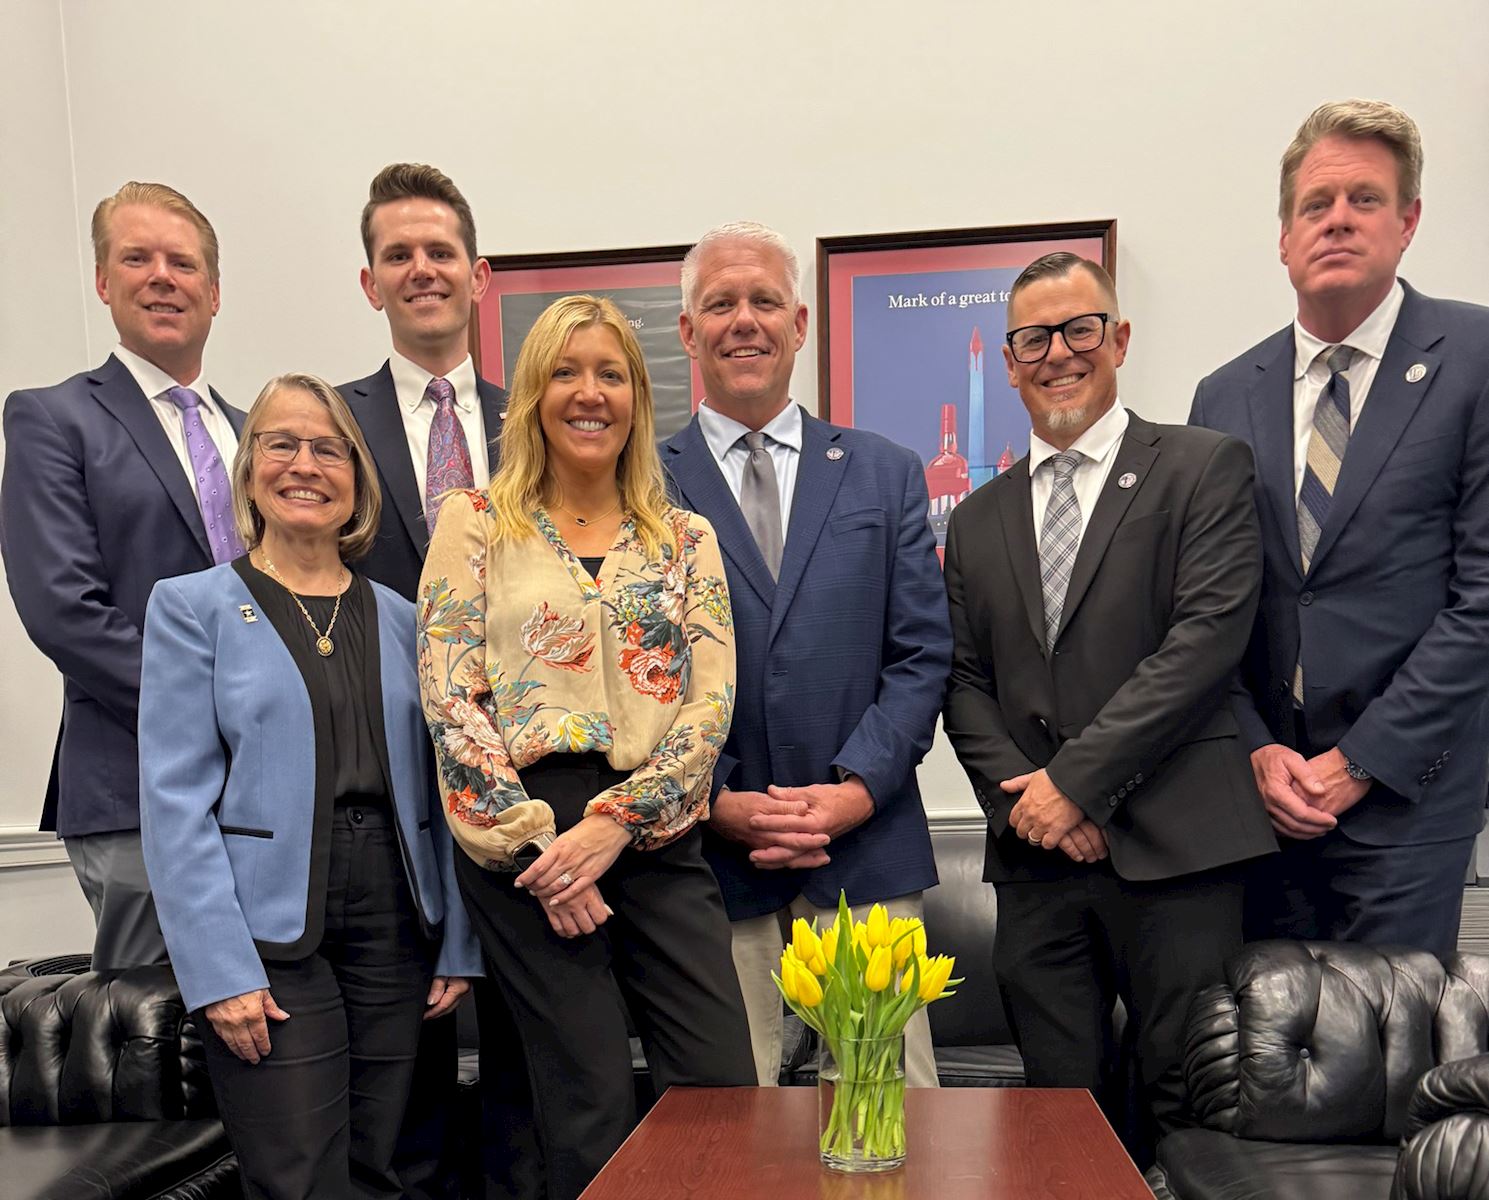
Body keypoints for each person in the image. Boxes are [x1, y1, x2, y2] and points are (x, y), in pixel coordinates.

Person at [418, 294, 754, 1200]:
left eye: (610, 374)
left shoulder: (684, 539)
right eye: (565, 372)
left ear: (638, 397)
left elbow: (709, 704)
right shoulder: (475, 522)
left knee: (721, 1088)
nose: (589, 392)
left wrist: (617, 823)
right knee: (588, 1105)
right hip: (526, 845)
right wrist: (538, 852)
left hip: (656, 830)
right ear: (533, 393)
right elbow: (452, 702)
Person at [943, 253, 1274, 1163]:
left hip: (1179, 853)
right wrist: (1032, 805)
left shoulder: (1201, 466)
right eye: (1033, 338)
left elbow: (1202, 646)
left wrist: (1076, 786)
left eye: (1079, 328)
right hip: (1038, 865)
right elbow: (962, 682)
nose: (1057, 352)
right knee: (1058, 1119)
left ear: (1118, 339)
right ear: (1008, 362)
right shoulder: (974, 518)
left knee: (1189, 1109)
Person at [138, 373, 481, 1200]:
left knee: (393, 1167)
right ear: (249, 467)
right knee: (297, 1175)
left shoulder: (407, 618)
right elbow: (175, 806)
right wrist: (219, 970)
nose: (305, 465)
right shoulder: (191, 609)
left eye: (329, 450)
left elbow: (451, 786)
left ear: (356, 478)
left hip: (401, 922)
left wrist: (459, 942)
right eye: (281, 444)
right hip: (266, 931)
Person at [1190, 99, 1489, 961]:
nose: (1337, 220)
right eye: (1314, 205)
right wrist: (1253, 750)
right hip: (1259, 805)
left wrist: (1358, 761)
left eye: (1364, 199)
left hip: (1407, 800)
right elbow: (1206, 607)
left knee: (1392, 1041)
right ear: (1284, 237)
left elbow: (1479, 603)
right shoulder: (1223, 395)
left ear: (1407, 222)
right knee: (1264, 1040)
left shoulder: (1473, 359)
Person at [661, 222, 952, 1089]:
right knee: (725, 1121)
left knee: (885, 1114)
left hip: (865, 845)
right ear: (688, 332)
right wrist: (715, 799)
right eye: (720, 303)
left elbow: (920, 655)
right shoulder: (640, 481)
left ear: (798, 324)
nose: (742, 320)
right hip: (708, 858)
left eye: (762, 301)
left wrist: (853, 792)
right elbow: (632, 677)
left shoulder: (884, 472)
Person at [0, 181, 242, 971]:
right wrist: (217, 711)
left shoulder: (259, 437)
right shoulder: (52, 419)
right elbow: (63, 610)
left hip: (268, 794)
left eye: (183, 262)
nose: (162, 277)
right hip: (135, 790)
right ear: (104, 281)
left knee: (272, 1024)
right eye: (137, 259)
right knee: (158, 1029)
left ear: (214, 292)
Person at [341, 161, 520, 1200]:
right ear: (369, 281)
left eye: (440, 251)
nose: (422, 269)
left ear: (478, 274)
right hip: (385, 793)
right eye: (398, 254)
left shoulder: (541, 418)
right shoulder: (326, 427)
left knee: (530, 1071)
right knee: (401, 1084)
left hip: (530, 787)